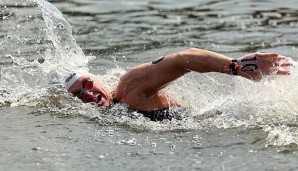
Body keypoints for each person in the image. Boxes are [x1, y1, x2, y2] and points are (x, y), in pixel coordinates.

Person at [65, 48, 294, 121]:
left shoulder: (127, 89)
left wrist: (235, 66)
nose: (86, 94)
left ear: (99, 79)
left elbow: (180, 60)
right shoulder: (108, 110)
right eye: (77, 95)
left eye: (87, 84)